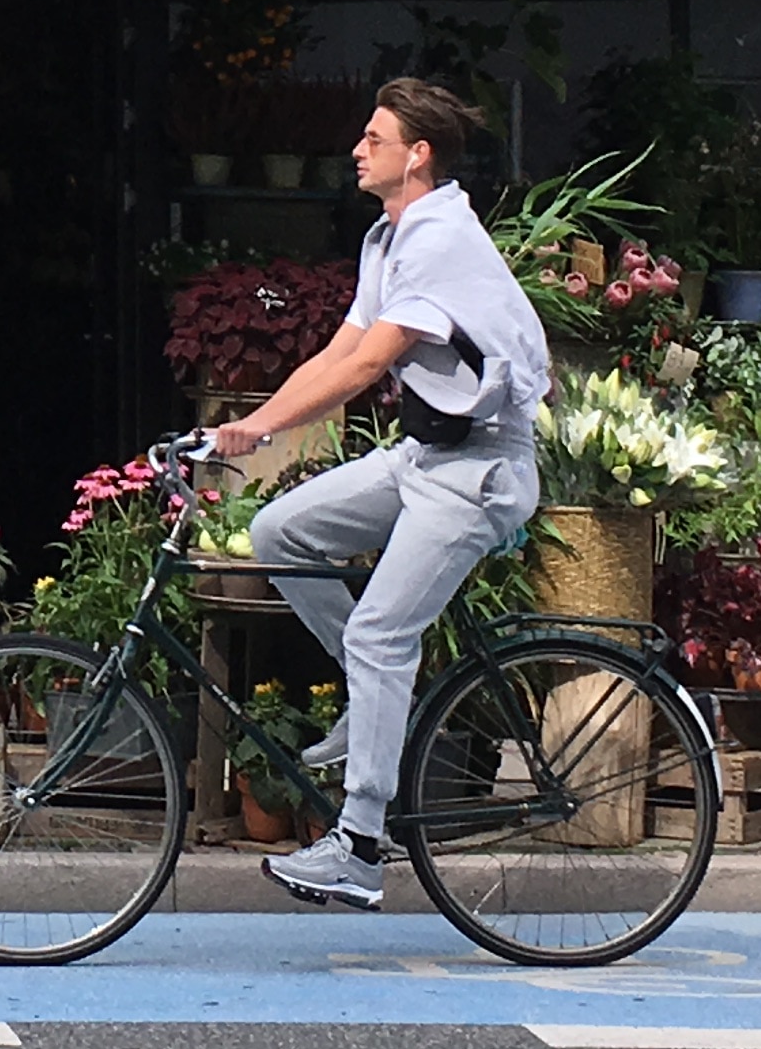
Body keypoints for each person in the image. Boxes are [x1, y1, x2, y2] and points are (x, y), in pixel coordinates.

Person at [206, 76, 550, 911]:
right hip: (426, 458)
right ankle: (371, 703)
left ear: (417, 154)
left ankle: (359, 846)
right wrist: (251, 422)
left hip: (479, 473)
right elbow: (339, 350)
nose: (357, 149)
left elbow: (366, 367)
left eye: (374, 138)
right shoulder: (390, 237)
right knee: (280, 531)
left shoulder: (439, 239)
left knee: (379, 633)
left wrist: (259, 430)